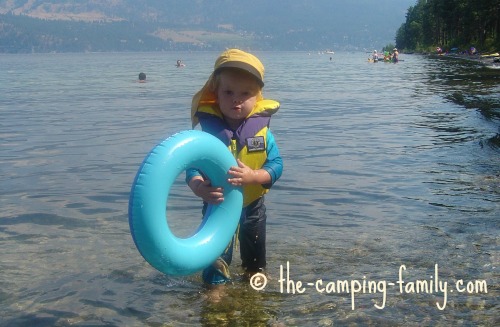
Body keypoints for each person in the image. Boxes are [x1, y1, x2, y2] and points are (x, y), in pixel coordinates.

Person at [187, 48, 283, 285]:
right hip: (216, 207)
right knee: (216, 256)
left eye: (245, 93)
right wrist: (199, 187)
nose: (236, 99)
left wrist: (255, 175)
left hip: (253, 207)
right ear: (215, 93)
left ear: (257, 96)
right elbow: (191, 168)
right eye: (228, 92)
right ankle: (215, 291)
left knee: (255, 260)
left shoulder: (262, 134)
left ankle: (254, 282)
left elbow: (277, 165)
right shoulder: (207, 135)